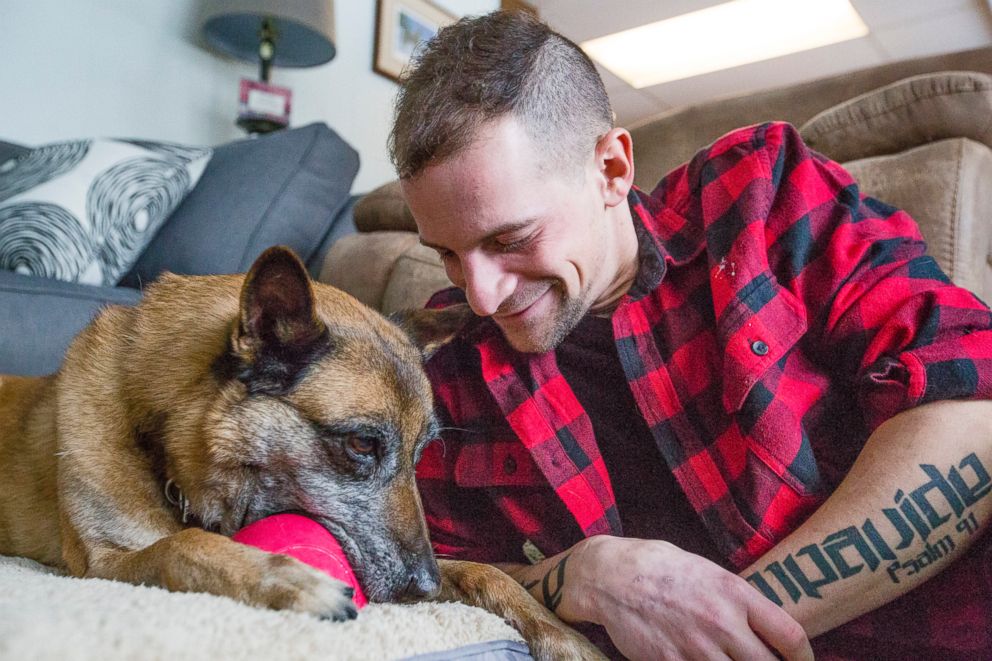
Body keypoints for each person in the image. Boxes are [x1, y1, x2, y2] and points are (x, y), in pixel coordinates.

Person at [389, 10, 992, 660]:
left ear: (612, 170)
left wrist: (715, 618)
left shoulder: (758, 196)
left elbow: (971, 409)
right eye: (448, 253)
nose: (481, 293)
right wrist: (589, 575)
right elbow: (424, 573)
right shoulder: (454, 365)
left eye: (510, 239)